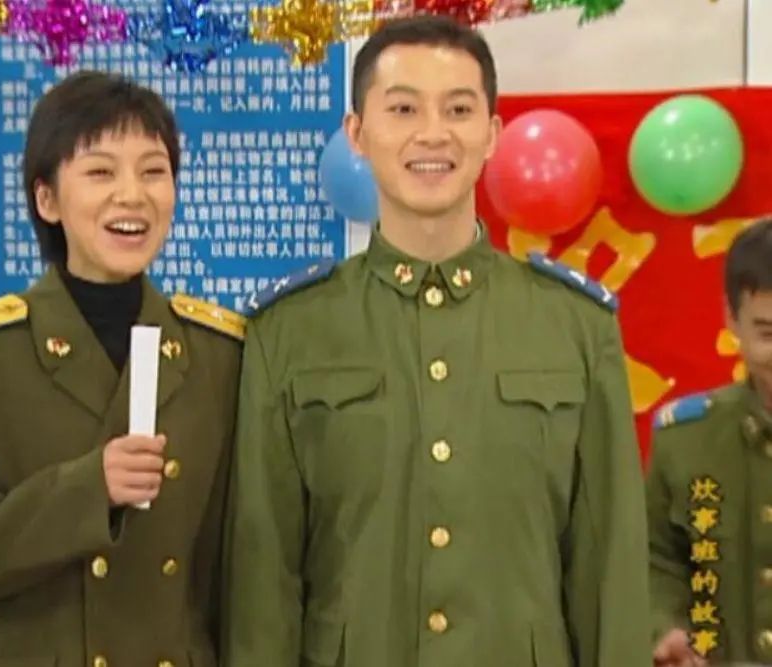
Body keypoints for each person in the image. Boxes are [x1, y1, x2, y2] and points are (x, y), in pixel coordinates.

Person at [221, 15, 649, 666]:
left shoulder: (574, 325)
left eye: (458, 109)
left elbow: (608, 568)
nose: (432, 133)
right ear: (357, 133)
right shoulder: (290, 330)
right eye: (403, 109)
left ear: (492, 133)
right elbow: (263, 577)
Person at [0, 71, 244, 667]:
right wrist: (90, 490)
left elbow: (244, 559)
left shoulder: (220, 353)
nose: (132, 195)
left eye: (153, 171)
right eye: (101, 172)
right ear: (47, 200)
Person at [647, 218, 772, 667]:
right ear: (731, 319)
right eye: (768, 334)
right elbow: (656, 558)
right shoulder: (686, 438)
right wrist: (664, 628)